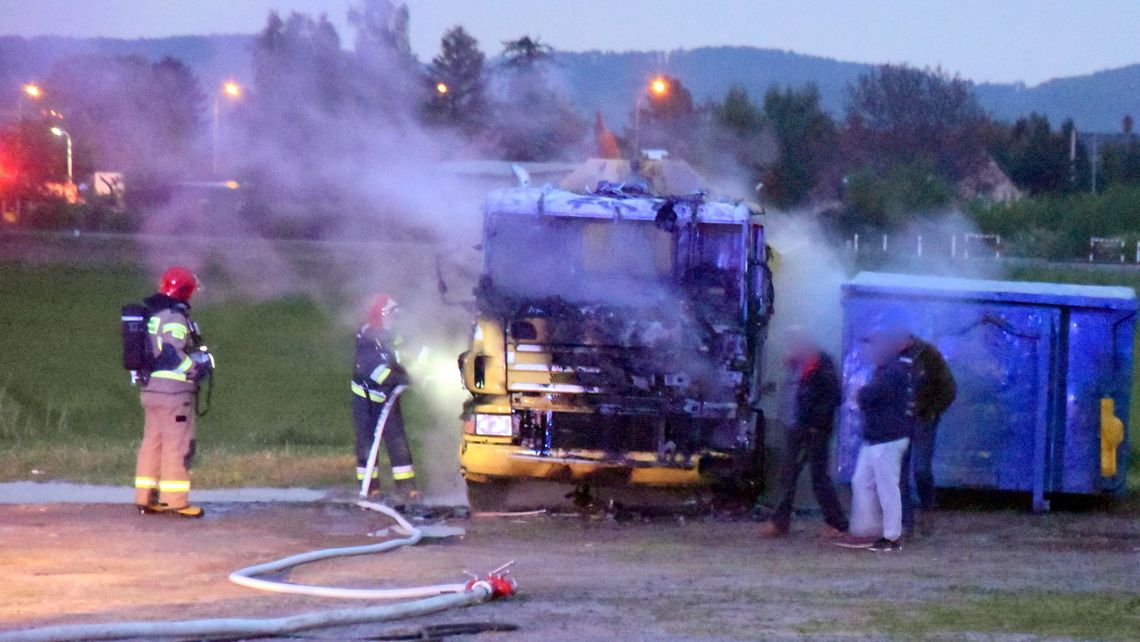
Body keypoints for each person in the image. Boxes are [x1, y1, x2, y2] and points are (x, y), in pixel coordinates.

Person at [134, 267, 211, 518]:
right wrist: (195, 367)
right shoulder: (175, 318)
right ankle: (176, 501)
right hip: (174, 394)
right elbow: (171, 352)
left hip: (150, 390)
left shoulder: (153, 315)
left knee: (152, 443)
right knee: (177, 445)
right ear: (185, 291)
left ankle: (145, 498)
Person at [838, 317, 917, 552]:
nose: (871, 348)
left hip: (888, 438)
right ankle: (867, 530)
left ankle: (891, 537)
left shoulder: (893, 371)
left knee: (887, 487)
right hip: (878, 438)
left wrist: (862, 394)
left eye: (875, 343)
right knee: (861, 481)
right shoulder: (886, 370)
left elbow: (867, 397)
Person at [759, 328, 847, 538]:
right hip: (795, 426)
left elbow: (833, 396)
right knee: (788, 475)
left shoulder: (819, 362)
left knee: (818, 477)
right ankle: (779, 522)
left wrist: (817, 422)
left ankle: (838, 523)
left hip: (813, 429)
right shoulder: (797, 364)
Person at [351, 294, 419, 505]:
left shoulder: (393, 335)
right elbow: (376, 371)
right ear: (380, 316)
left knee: (397, 440)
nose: (395, 319)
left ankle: (407, 488)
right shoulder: (368, 338)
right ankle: (370, 488)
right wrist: (399, 378)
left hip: (388, 395)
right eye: (391, 315)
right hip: (367, 400)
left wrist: (419, 369)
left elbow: (406, 355)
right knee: (367, 442)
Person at [900, 334, 956, 536]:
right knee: (900, 473)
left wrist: (932, 411)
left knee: (921, 469)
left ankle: (927, 508)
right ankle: (906, 522)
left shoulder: (928, 354)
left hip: (923, 420)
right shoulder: (891, 355)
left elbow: (949, 388)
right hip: (899, 422)